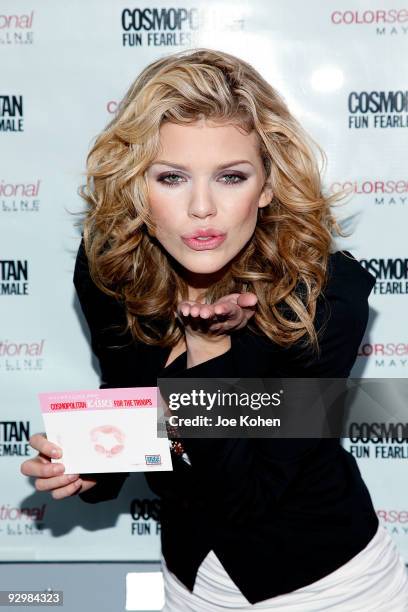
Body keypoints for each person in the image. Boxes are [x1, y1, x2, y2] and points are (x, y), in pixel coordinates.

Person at [21, 48, 408, 610]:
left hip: (329, 585)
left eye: (231, 177)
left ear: (268, 185)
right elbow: (131, 401)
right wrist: (91, 469)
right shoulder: (111, 267)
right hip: (190, 580)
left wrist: (209, 349)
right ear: (136, 185)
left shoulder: (326, 296)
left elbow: (244, 496)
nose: (203, 207)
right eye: (172, 177)